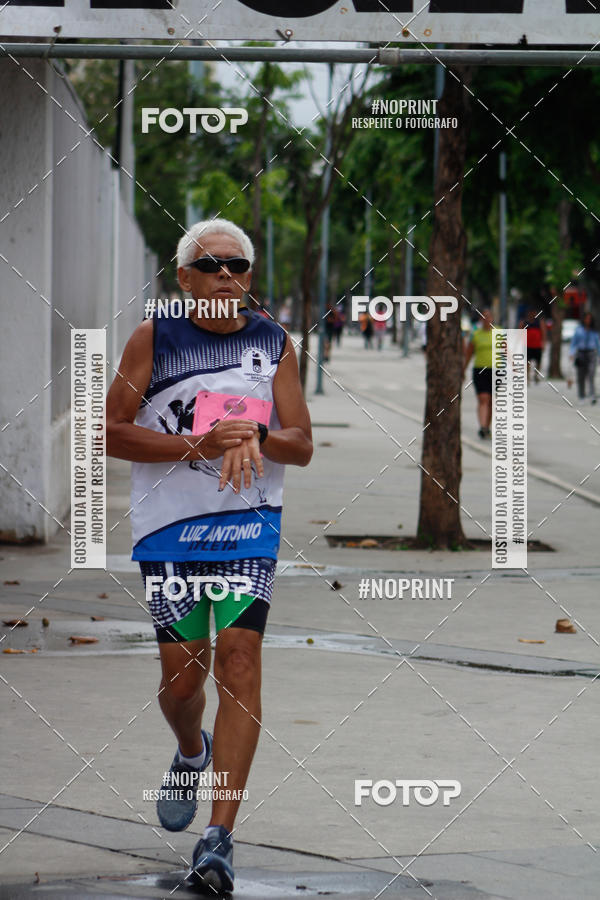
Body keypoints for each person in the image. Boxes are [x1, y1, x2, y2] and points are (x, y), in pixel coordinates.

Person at [106, 218, 313, 893]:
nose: (226, 274)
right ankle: (190, 749)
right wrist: (198, 444)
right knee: (181, 684)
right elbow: (110, 431)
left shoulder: (273, 342)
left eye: (238, 265)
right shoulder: (154, 338)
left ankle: (219, 839)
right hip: (170, 532)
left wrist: (257, 432)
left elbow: (302, 444)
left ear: (249, 278)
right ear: (184, 278)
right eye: (211, 264)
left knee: (240, 662)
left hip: (249, 529)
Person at [463, 308, 494, 439]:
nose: (486, 319)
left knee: (491, 400)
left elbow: (506, 351)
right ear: (481, 319)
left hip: (495, 370)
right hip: (480, 370)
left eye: (488, 316)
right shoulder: (476, 334)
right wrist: (463, 369)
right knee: (483, 398)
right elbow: (469, 353)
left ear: (492, 318)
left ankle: (487, 426)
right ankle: (482, 427)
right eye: (484, 317)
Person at [570, 311, 600, 403]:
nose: (588, 320)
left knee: (591, 374)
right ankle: (581, 396)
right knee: (581, 376)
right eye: (586, 318)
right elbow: (573, 343)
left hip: (591, 354)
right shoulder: (578, 330)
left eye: (590, 319)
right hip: (581, 354)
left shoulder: (594, 331)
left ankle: (592, 395)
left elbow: (598, 344)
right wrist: (571, 353)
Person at [520, 308, 546, 384]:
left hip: (537, 346)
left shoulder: (539, 322)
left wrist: (543, 343)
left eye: (534, 313)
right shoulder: (524, 322)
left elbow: (543, 333)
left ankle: (536, 375)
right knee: (527, 363)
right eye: (530, 313)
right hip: (527, 346)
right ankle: (527, 377)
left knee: (538, 362)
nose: (532, 314)